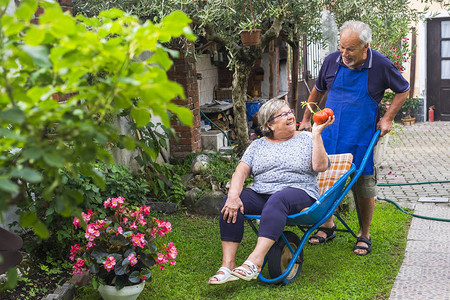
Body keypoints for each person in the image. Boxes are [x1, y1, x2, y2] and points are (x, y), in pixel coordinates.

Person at [299, 21, 410, 256]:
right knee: (324, 178)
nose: (344, 54)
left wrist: (388, 118)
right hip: (329, 133)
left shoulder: (379, 64)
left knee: (363, 183)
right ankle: (327, 225)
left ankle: (364, 234)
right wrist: (306, 118)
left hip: (361, 135)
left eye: (350, 49)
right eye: (342, 47)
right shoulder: (332, 61)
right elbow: (318, 89)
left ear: (365, 46)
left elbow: (403, 89)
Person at [208, 99, 334, 284]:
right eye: (283, 114)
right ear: (270, 124)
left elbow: (320, 166)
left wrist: (316, 134)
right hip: (262, 193)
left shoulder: (307, 138)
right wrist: (234, 196)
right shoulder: (257, 145)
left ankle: (255, 262)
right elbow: (240, 172)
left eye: (290, 111)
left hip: (299, 192)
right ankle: (228, 265)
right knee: (231, 202)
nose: (291, 115)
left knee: (278, 199)